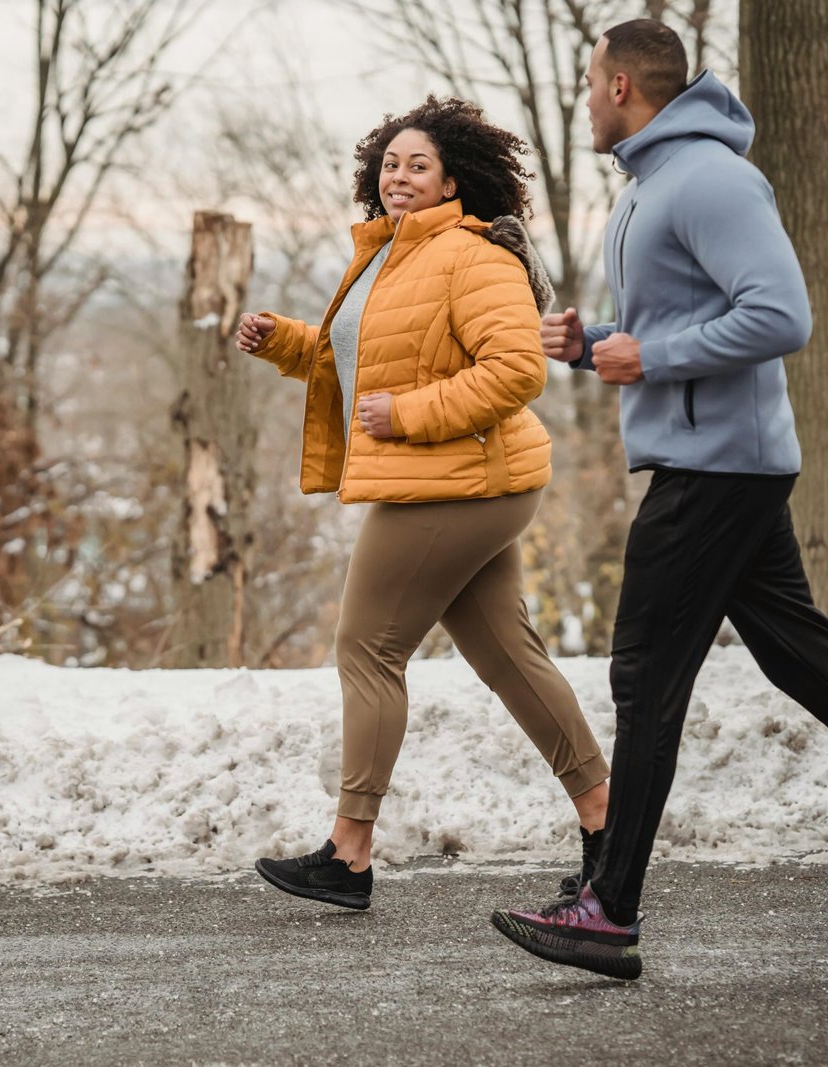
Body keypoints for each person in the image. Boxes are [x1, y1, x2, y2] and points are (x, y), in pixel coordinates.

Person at [489, 19, 828, 980]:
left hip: (718, 468)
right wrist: (598, 343)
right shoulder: (657, 184)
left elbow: (781, 313)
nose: (581, 99)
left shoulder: (710, 178)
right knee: (802, 660)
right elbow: (688, 318)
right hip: (710, 457)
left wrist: (650, 355)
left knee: (644, 675)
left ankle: (608, 909)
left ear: (622, 85)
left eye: (587, 83)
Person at [239, 97, 611, 911]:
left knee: (367, 647)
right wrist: (284, 342)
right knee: (506, 655)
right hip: (460, 481)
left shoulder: (472, 256)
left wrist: (406, 415)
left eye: (419, 166)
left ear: (454, 183)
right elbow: (364, 365)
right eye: (391, 163)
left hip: (455, 480)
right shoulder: (386, 258)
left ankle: (349, 853)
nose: (399, 176)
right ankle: (606, 824)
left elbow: (517, 370)